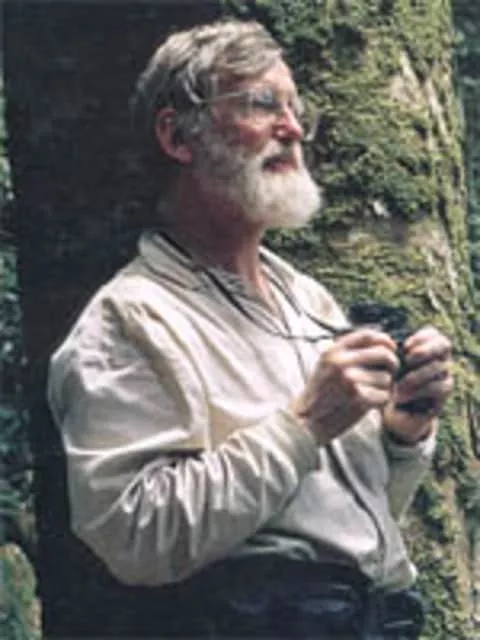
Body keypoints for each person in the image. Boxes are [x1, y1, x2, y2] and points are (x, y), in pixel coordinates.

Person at [47, 19, 453, 639]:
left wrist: (403, 433)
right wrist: (306, 424)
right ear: (177, 136)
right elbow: (135, 538)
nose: (292, 128)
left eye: (297, 110)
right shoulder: (131, 318)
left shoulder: (305, 297)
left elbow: (348, 525)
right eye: (262, 104)